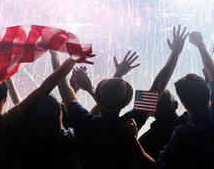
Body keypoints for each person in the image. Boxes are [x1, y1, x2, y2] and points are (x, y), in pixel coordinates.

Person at [58, 25, 188, 168]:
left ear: (99, 99)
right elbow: (157, 87)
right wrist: (175, 52)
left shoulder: (84, 121)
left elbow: (64, 88)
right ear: (125, 103)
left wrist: (57, 55)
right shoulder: (129, 124)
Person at [125, 31, 214, 168]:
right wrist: (201, 45)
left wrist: (133, 140)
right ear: (177, 104)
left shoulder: (178, 134)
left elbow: (155, 89)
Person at [0, 54, 87, 168]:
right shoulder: (7, 123)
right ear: (5, 98)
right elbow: (44, 89)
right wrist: (71, 59)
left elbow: (39, 93)